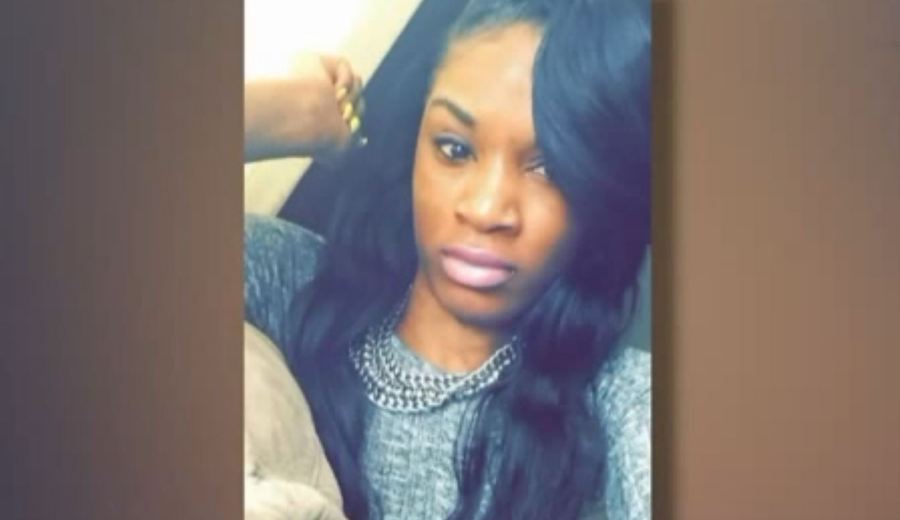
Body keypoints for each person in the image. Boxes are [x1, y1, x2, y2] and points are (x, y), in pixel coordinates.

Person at [244, 0, 651, 518]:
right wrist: (295, 115)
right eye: (455, 149)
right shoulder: (290, 283)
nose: (485, 210)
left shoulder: (622, 404)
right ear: (414, 142)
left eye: (550, 168)